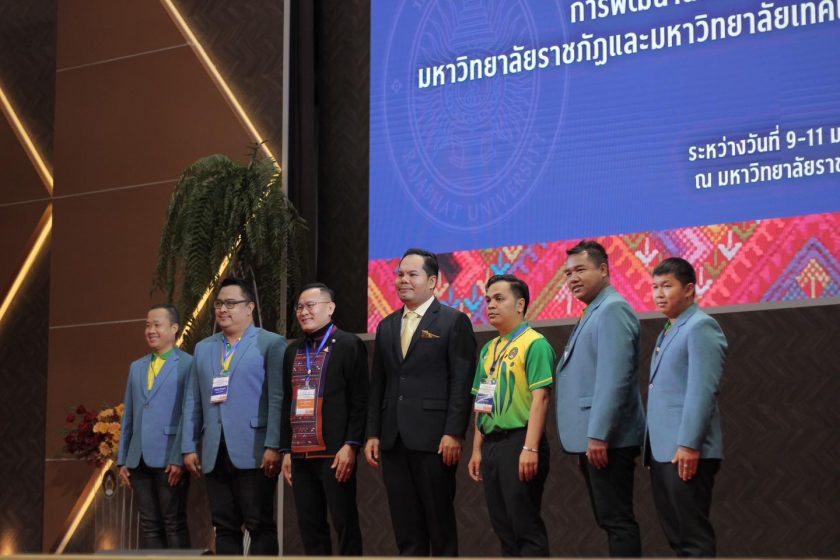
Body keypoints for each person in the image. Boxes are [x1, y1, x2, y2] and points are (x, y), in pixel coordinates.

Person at [365, 248, 477, 556]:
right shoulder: (387, 325)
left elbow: (461, 383)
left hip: (434, 439)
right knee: (406, 529)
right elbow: (379, 384)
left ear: (432, 281)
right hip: (393, 439)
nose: (403, 280)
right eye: (400, 274)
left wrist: (454, 432)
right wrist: (373, 433)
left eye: (412, 274)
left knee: (439, 527)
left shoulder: (453, 321)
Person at [180, 277, 286, 555]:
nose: (222, 309)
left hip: (255, 449)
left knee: (259, 524)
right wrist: (188, 446)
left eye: (230, 303)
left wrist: (274, 445)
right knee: (224, 527)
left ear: (249, 307)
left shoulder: (271, 343)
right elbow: (193, 400)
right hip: (215, 450)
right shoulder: (204, 348)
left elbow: (278, 398)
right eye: (218, 304)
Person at [555, 240, 645, 557]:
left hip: (608, 439)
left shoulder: (612, 309)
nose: (573, 278)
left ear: (604, 269)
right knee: (609, 519)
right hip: (596, 437)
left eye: (580, 270)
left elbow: (614, 377)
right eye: (568, 273)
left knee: (617, 520)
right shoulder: (595, 310)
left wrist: (598, 434)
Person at [467, 275, 555, 557]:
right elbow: (482, 402)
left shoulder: (535, 343)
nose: (490, 305)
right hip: (492, 446)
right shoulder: (488, 349)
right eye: (488, 300)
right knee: (503, 528)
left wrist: (530, 448)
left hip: (520, 442)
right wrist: (477, 450)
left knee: (525, 526)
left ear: (520, 304)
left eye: (499, 298)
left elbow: (541, 399)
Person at [280, 283, 368, 555]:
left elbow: (360, 400)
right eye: (300, 307)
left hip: (335, 453)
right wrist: (286, 451)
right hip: (300, 454)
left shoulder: (348, 344)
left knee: (344, 524)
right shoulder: (292, 351)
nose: (303, 312)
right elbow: (286, 402)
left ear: (330, 308)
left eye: (310, 306)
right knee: (310, 527)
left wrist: (351, 445)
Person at [647, 257, 727, 557]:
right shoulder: (669, 330)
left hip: (687, 451)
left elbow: (702, 390)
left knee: (693, 539)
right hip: (664, 451)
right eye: (655, 287)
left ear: (689, 289)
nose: (659, 294)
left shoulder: (700, 326)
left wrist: (689, 444)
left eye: (667, 286)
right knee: (678, 538)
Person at [117, 304, 192, 549]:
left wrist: (179, 457)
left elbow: (189, 415)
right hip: (138, 458)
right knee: (149, 525)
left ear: (174, 328)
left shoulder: (188, 364)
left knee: (174, 523)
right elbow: (129, 416)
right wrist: (123, 459)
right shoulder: (136, 367)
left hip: (170, 457)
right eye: (147, 325)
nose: (151, 330)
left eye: (157, 325)